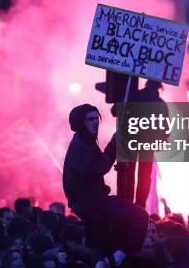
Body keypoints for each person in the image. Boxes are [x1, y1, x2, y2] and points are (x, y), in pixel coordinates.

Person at [62, 104, 148, 258]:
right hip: (91, 204)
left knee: (105, 243)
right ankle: (120, 257)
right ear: (81, 122)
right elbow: (99, 166)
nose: (95, 122)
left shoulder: (87, 142)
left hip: (93, 202)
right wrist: (114, 144)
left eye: (97, 119)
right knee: (140, 215)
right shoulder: (79, 146)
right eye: (90, 119)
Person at [117, 80, 168, 208]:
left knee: (132, 173)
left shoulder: (135, 96)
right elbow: (165, 127)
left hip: (133, 141)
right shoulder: (160, 103)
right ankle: (139, 205)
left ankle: (129, 203)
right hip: (145, 143)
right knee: (144, 176)